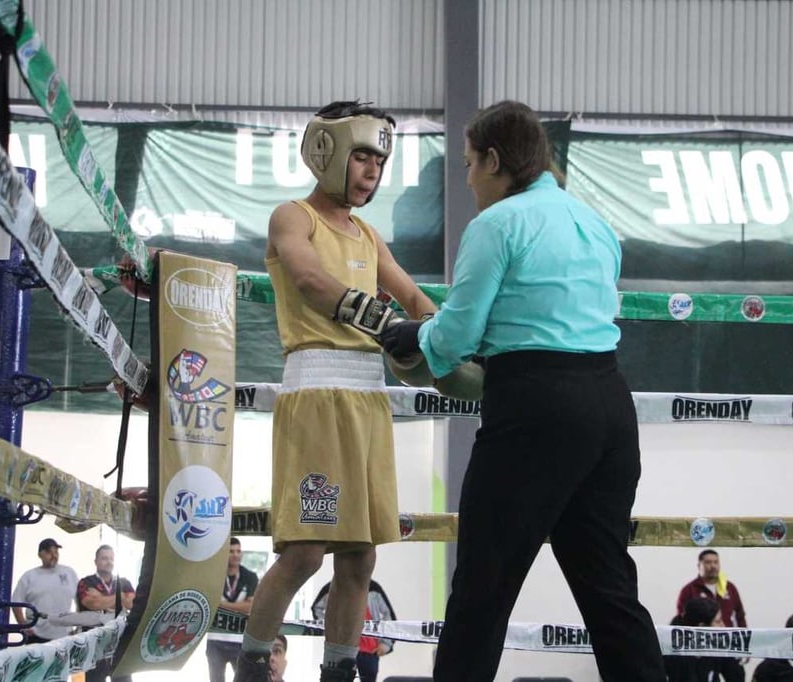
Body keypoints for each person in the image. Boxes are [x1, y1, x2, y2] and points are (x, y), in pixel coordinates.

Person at [379, 99, 667, 681]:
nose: (465, 179)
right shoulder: (595, 223)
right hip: (611, 406)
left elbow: (458, 334)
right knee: (610, 591)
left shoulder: (496, 225)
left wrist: (410, 335)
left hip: (536, 409)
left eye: (466, 164)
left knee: (482, 588)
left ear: (493, 159)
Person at [233, 100, 438, 682]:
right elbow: (307, 278)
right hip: (317, 394)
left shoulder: (369, 237)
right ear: (328, 153)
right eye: (363, 156)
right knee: (303, 551)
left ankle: (339, 673)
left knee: (360, 555)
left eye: (380, 159)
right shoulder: (292, 216)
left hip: (368, 403)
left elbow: (417, 300)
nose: (373, 170)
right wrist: (386, 323)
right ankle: (252, 668)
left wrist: (454, 338)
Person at [677, 550, 748, 681]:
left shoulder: (730, 588)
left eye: (716, 562)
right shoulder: (689, 590)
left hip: (728, 646)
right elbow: (683, 620)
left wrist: (744, 646)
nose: (713, 566)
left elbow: (740, 616)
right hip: (702, 648)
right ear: (699, 565)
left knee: (737, 676)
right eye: (708, 562)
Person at [311, 579, 396, 682]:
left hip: (369, 650)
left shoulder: (373, 588)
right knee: (339, 677)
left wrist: (386, 644)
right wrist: (329, 627)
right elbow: (316, 608)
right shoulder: (332, 587)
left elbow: (389, 615)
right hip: (343, 647)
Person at [76, 544, 135, 682]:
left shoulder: (124, 582)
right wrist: (120, 597)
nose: (109, 562)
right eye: (104, 558)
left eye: (111, 559)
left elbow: (131, 603)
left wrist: (102, 599)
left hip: (120, 648)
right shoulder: (85, 582)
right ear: (95, 561)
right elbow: (92, 603)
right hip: (95, 649)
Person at [208, 538, 259, 682]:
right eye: (231, 551)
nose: (236, 555)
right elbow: (209, 604)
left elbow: (250, 607)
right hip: (215, 639)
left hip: (240, 640)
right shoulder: (214, 575)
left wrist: (220, 605)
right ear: (225, 553)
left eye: (238, 551)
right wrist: (238, 607)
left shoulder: (250, 577)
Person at [11, 537, 79, 643]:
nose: (53, 555)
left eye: (56, 552)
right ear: (40, 555)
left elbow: (80, 600)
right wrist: (24, 626)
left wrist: (78, 627)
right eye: (49, 552)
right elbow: (16, 603)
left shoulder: (69, 573)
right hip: (36, 635)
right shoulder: (30, 576)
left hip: (65, 635)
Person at [665, 597, 724, 682]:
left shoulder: (715, 650)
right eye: (718, 621)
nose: (723, 626)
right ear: (702, 627)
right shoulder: (674, 657)